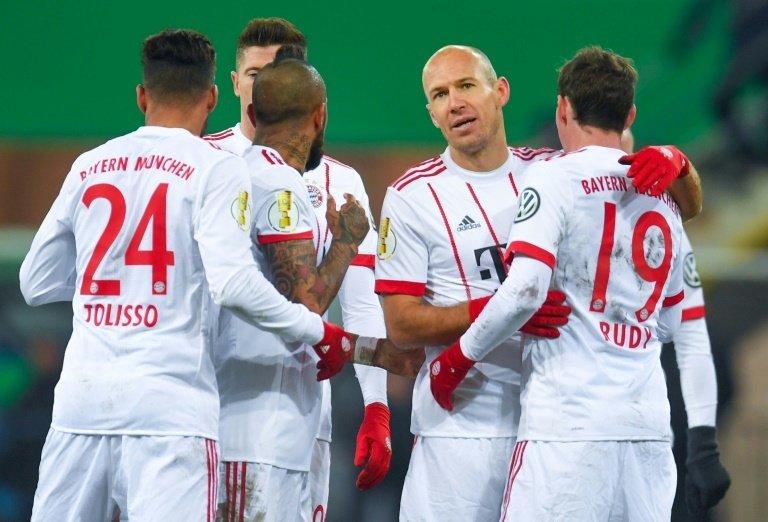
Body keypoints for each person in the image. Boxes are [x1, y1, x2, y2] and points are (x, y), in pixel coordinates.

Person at [18, 29, 351, 522]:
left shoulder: (90, 166)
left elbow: (36, 281)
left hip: (80, 407)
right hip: (170, 413)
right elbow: (234, 285)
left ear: (142, 95)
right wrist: (317, 330)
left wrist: (118, 279)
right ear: (214, 96)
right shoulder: (214, 168)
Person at [375, 44, 703, 521]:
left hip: (551, 424)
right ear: (431, 113)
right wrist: (498, 309)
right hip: (461, 429)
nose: (455, 102)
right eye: (440, 95)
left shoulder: (552, 171)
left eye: (466, 85)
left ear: (500, 91)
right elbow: (401, 325)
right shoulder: (411, 196)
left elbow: (681, 207)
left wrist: (679, 162)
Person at [207, 24, 402, 519]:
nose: (263, 85)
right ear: (237, 85)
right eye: (255, 73)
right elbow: (305, 302)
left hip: (307, 418)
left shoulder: (342, 179)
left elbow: (361, 301)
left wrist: (375, 406)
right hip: (229, 411)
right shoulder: (209, 163)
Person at [622, 129, 731, 518]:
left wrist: (701, 445)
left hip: (663, 454)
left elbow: (695, 339)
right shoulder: (559, 200)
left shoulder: (665, 224)